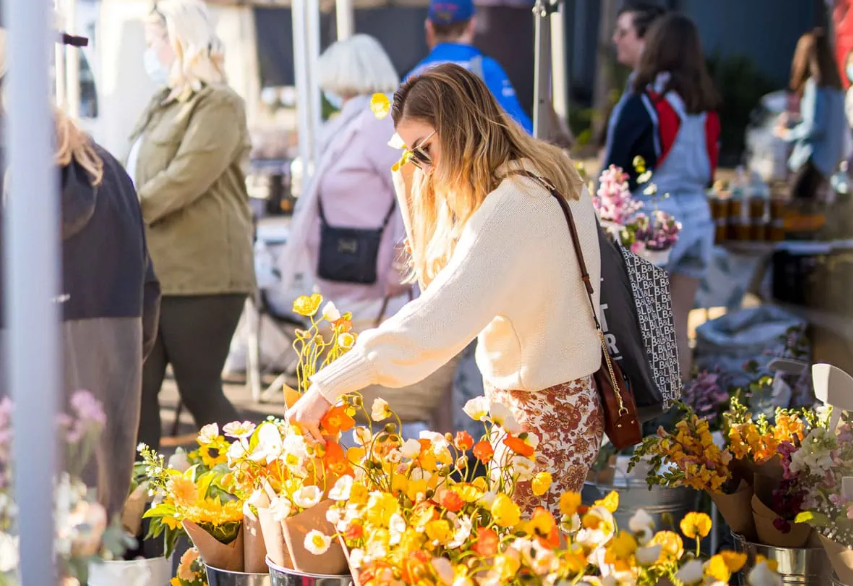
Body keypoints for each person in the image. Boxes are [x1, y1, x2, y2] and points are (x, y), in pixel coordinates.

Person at [287, 63, 604, 515]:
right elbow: (446, 287)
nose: (424, 167)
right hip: (569, 401)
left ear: (458, 125)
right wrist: (412, 189)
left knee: (525, 566)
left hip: (538, 414)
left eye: (424, 150)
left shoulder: (510, 209)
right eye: (411, 156)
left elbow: (434, 320)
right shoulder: (547, 172)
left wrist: (327, 386)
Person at [0, 29, 160, 517]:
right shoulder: (107, 170)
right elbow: (148, 297)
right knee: (88, 546)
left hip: (15, 423)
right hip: (103, 414)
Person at [278, 34, 458, 437]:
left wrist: (404, 259)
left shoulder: (377, 124)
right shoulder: (347, 125)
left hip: (380, 282)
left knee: (388, 390)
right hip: (354, 276)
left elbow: (412, 190)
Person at [131, 0, 255, 451]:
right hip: (157, 274)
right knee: (139, 397)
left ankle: (260, 492)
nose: (150, 52)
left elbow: (185, 177)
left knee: (200, 392)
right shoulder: (163, 104)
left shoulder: (220, 103)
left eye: (153, 41)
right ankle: (140, 508)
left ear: (179, 40)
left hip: (204, 277)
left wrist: (124, 208)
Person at [603, 13, 721, 380]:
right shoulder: (706, 104)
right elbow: (712, 171)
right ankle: (681, 423)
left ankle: (655, 426)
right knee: (677, 326)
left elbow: (614, 171)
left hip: (657, 217)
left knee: (648, 334)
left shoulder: (645, 101)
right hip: (700, 217)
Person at [408, 0, 533, 133]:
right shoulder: (486, 70)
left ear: (429, 27)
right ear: (472, 24)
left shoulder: (410, 79)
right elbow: (523, 132)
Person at [777, 29, 846, 202]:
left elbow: (815, 126)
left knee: (795, 211)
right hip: (829, 161)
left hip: (813, 160)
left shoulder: (815, 85)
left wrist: (787, 133)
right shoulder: (837, 89)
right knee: (811, 213)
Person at [603, 1, 666, 165]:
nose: (615, 38)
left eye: (622, 32)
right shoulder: (641, 84)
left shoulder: (656, 92)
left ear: (646, 38)